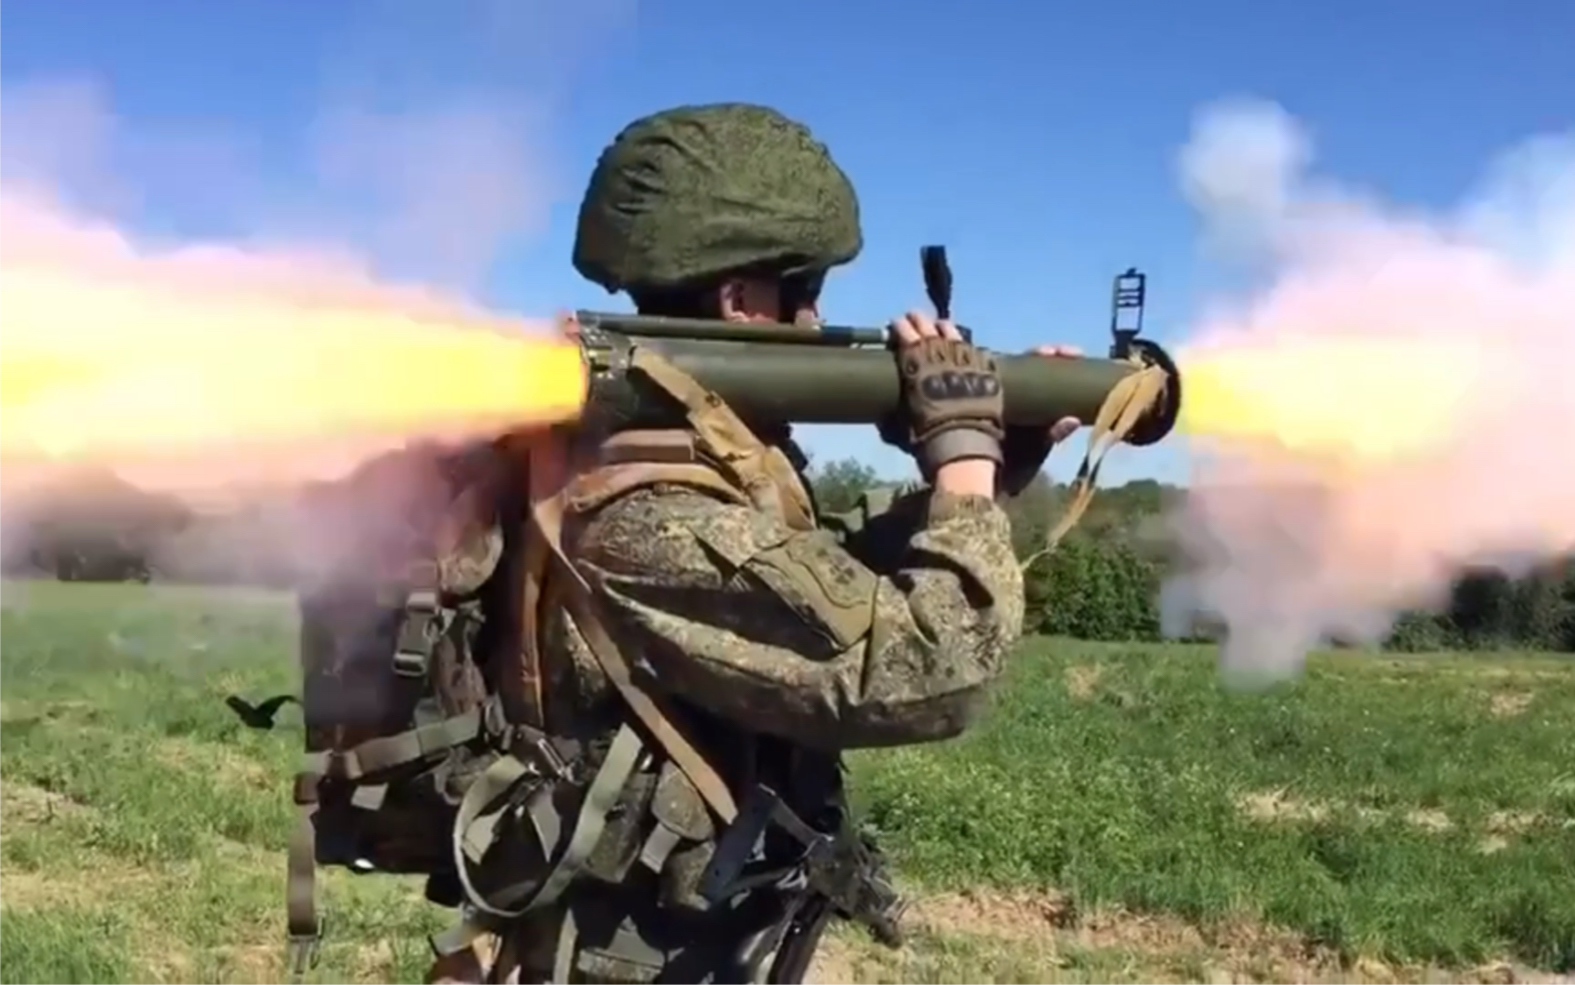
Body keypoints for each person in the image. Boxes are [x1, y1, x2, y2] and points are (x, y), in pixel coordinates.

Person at [425, 101, 1084, 984]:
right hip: (631, 958)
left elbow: (819, 586)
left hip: (692, 942)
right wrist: (961, 461)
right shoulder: (641, 506)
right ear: (742, 300)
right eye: (807, 292)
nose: (820, 322)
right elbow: (931, 668)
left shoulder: (686, 471)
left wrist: (984, 476)